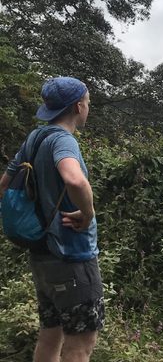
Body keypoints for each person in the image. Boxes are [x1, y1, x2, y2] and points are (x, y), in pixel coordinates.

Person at [0, 77, 102, 362]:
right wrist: (88, 212)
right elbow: (74, 179)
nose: (88, 108)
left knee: (50, 335)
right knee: (80, 344)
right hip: (71, 257)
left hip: (42, 255)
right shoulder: (63, 140)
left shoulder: (35, 138)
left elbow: (4, 186)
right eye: (88, 103)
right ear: (78, 106)